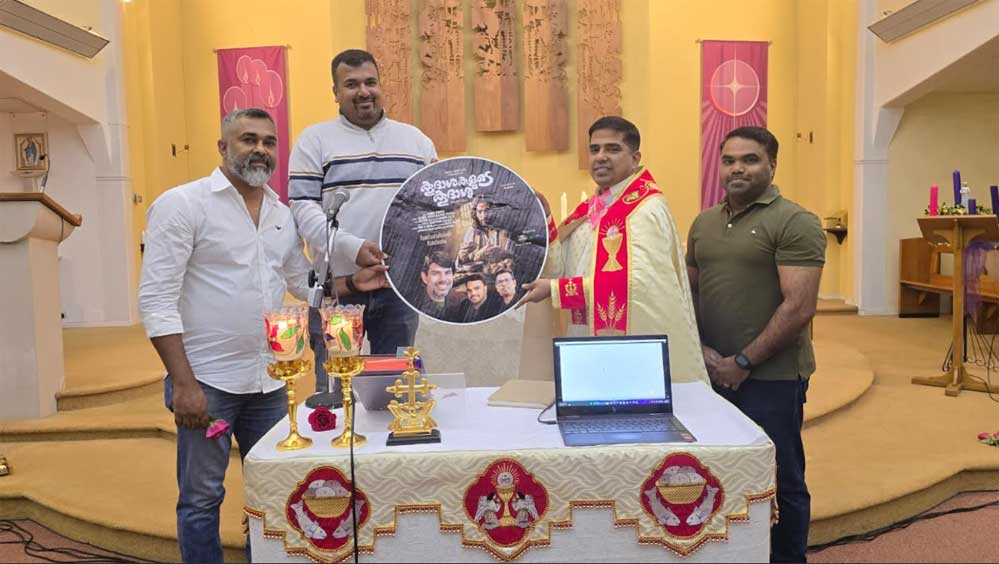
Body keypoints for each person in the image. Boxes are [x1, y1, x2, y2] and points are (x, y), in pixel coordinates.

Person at [138, 109, 356, 564]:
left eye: (268, 142)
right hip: (207, 382)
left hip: (271, 382)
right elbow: (156, 301)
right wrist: (183, 384)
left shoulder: (281, 214)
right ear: (222, 147)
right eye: (248, 139)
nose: (260, 149)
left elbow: (301, 282)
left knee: (272, 490)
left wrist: (353, 282)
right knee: (202, 497)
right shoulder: (183, 205)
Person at [686, 126, 825, 563]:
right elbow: (688, 293)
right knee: (717, 473)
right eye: (729, 160)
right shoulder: (704, 223)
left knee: (780, 478)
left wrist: (743, 361)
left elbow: (799, 306)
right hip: (711, 374)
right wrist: (701, 351)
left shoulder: (795, 222)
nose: (737, 169)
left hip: (772, 378)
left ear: (772, 165)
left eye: (750, 160)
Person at [289, 49, 437, 405]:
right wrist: (352, 248)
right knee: (336, 396)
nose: (363, 91)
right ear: (335, 92)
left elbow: (434, 208)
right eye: (351, 84)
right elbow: (303, 209)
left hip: (398, 288)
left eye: (370, 82)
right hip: (338, 291)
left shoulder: (416, 141)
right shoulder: (314, 140)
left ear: (381, 85)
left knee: (396, 392)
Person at [519, 116, 707, 384]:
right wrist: (545, 218)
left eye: (613, 149)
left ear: (635, 158)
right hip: (582, 332)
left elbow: (639, 286)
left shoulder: (645, 209)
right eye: (594, 149)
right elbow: (561, 268)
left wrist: (556, 290)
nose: (601, 157)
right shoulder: (592, 208)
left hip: (626, 344)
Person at [456, 197, 513, 272]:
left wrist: (503, 253)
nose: (484, 216)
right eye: (480, 212)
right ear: (475, 214)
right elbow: (465, 264)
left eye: (487, 211)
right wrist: (462, 256)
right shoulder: (471, 231)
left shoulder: (505, 230)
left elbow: (513, 260)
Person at [416, 250, 456, 319]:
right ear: (424, 277)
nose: (443, 279)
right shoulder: (416, 306)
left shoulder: (457, 307)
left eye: (447, 273)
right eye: (436, 273)